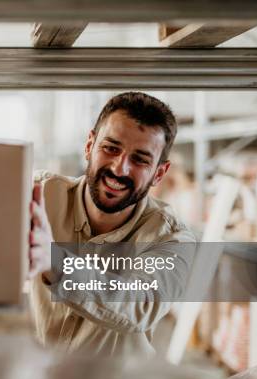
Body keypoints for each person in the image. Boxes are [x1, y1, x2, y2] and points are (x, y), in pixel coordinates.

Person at [28, 91, 196, 356]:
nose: (120, 169)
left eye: (140, 159)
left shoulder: (170, 239)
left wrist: (55, 262)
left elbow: (139, 304)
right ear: (89, 146)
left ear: (159, 173)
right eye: (111, 148)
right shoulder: (38, 197)